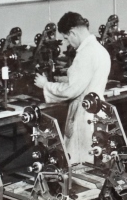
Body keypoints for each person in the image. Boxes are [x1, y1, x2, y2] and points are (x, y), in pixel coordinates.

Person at [34, 11, 111, 164]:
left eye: (66, 37)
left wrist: (46, 85)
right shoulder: (100, 50)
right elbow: (85, 80)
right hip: (98, 112)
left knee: (79, 163)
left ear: (73, 32)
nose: (68, 42)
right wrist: (61, 78)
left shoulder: (85, 54)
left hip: (83, 117)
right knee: (96, 160)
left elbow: (71, 90)